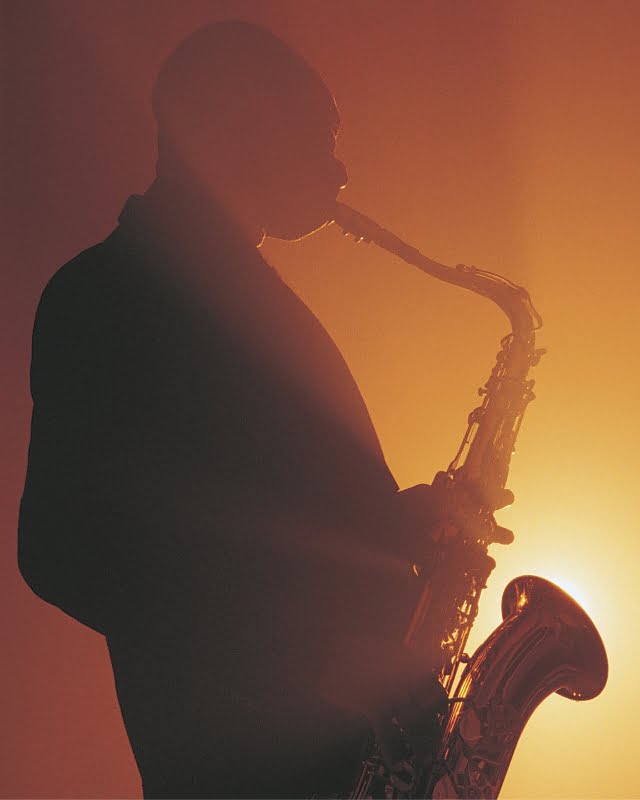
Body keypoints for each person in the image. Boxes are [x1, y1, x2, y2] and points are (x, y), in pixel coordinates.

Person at [18, 21, 457, 798]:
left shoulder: (231, 293)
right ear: (235, 122)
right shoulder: (107, 296)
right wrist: (322, 664)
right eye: (319, 140)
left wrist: (396, 527)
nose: (341, 171)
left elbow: (259, 524)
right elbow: (63, 551)